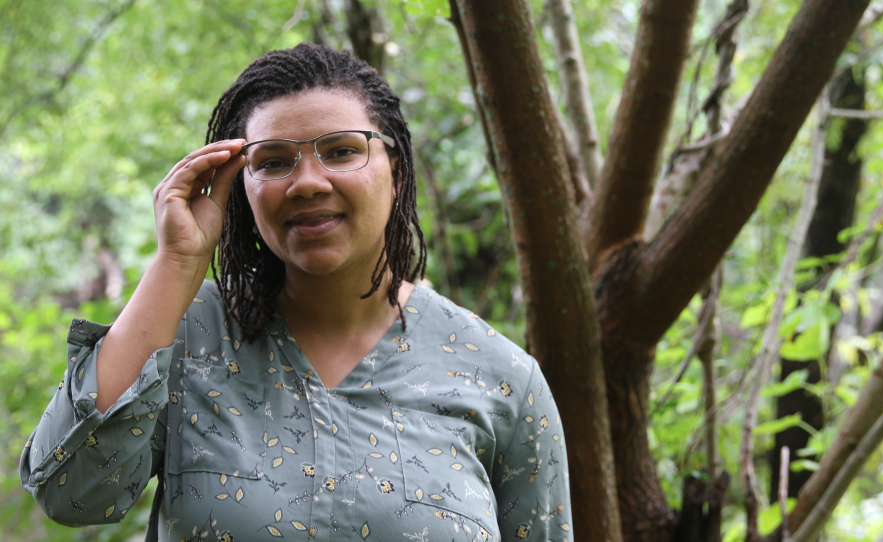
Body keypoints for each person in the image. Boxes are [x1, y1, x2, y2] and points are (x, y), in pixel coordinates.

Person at [20, 42, 572, 542]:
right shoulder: (185, 335)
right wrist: (178, 261)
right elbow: (70, 492)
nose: (307, 181)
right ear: (243, 189)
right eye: (275, 161)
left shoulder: (502, 379)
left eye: (340, 151)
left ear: (396, 173)